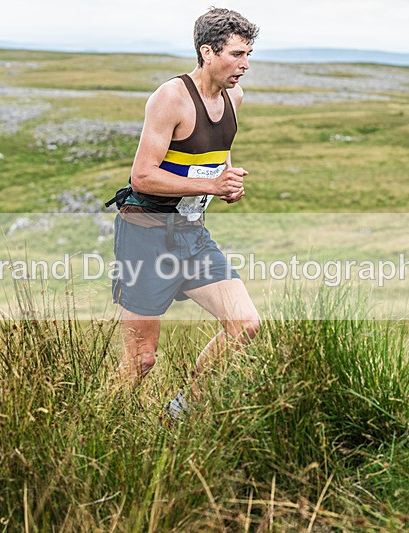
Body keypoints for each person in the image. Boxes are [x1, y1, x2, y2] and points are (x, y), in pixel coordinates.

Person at [107, 8, 261, 418]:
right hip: (146, 235)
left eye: (249, 54)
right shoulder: (170, 97)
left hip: (192, 233)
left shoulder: (235, 97)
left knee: (245, 325)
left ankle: (178, 414)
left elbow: (214, 153)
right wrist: (210, 185)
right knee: (141, 361)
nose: (245, 64)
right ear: (207, 52)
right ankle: (98, 427)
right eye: (237, 54)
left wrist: (228, 179)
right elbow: (142, 176)